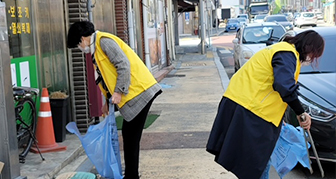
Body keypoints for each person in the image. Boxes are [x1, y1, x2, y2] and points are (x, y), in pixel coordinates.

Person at [206, 30, 324, 179]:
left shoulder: (281, 50)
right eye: (314, 55)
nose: (311, 59)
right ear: (309, 47)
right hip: (251, 110)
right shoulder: (286, 53)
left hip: (244, 106)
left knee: (253, 162)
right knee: (256, 163)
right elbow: (284, 86)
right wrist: (300, 113)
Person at [67, 21, 162, 179]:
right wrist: (107, 100)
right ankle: (131, 175)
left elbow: (123, 65)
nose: (80, 49)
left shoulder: (103, 42)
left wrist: (118, 92)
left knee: (130, 135)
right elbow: (106, 78)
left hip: (140, 91)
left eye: (78, 45)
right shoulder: (96, 50)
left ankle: (132, 176)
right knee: (129, 134)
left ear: (83, 38)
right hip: (135, 92)